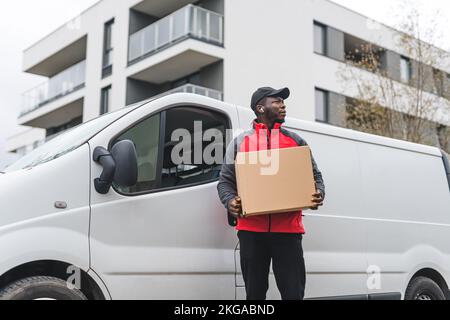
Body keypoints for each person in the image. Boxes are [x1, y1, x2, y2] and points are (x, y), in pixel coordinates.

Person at [217, 87, 325, 300]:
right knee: (254, 295)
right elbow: (225, 182)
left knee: (293, 293)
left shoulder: (296, 141)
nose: (282, 105)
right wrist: (230, 201)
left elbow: (316, 178)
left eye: (282, 101)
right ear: (260, 108)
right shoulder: (240, 143)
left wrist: (318, 194)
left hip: (288, 232)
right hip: (251, 232)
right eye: (276, 101)